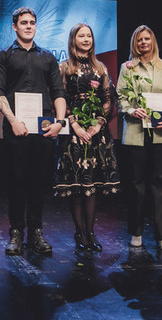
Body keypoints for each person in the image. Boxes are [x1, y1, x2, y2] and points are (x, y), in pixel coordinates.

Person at [0, 7, 66, 255]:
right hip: (16, 126)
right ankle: (16, 233)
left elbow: (58, 92)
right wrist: (12, 120)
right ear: (14, 26)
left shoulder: (48, 58)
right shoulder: (3, 56)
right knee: (17, 181)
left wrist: (60, 122)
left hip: (44, 128)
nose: (29, 26)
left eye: (32, 22)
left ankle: (36, 231)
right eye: (24, 23)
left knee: (38, 181)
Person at [54, 23, 120, 252]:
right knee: (76, 185)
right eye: (81, 36)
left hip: (96, 133)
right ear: (73, 40)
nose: (86, 39)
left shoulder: (100, 67)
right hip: (73, 133)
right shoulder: (64, 67)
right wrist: (75, 125)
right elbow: (60, 97)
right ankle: (79, 232)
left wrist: (97, 124)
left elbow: (108, 97)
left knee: (91, 183)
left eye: (89, 35)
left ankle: (91, 233)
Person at [116, 25, 162, 252]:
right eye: (139, 40)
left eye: (147, 39)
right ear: (134, 43)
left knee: (161, 183)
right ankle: (136, 231)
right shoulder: (127, 67)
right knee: (136, 184)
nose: (143, 43)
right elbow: (120, 97)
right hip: (136, 131)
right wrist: (130, 110)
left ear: (153, 41)